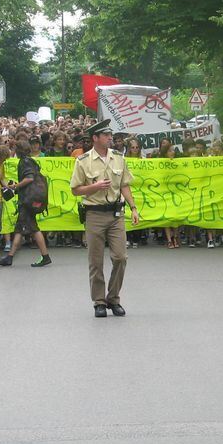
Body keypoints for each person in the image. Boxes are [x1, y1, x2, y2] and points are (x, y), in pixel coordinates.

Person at [70, 120, 140, 317]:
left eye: (110, 135)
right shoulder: (83, 161)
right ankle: (99, 301)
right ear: (95, 138)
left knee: (120, 257)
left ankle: (113, 298)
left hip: (116, 214)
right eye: (106, 135)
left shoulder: (118, 158)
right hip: (94, 214)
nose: (110, 138)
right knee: (96, 261)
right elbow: (75, 189)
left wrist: (133, 208)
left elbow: (125, 184)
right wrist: (94, 187)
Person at [0, 135, 51, 268]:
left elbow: (29, 178)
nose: (12, 150)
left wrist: (16, 186)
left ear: (19, 150)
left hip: (27, 201)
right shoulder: (29, 161)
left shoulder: (25, 162)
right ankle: (10, 257)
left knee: (31, 229)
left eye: (14, 148)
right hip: (27, 200)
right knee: (21, 229)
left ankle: (44, 256)